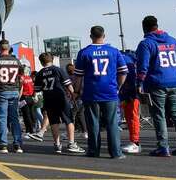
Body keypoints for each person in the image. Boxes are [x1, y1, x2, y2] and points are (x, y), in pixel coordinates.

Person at [135, 16, 176, 157]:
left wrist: (139, 82)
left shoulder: (146, 44)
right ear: (157, 25)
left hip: (157, 82)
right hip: (175, 81)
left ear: (144, 28)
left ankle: (163, 146)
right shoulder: (172, 41)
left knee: (159, 114)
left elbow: (143, 66)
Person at [73, 26, 127, 159]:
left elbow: (78, 76)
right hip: (110, 91)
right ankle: (116, 152)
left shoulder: (84, 52)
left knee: (93, 123)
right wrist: (118, 87)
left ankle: (93, 151)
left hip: (91, 92)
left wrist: (76, 91)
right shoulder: (113, 51)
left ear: (91, 36)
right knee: (112, 123)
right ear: (104, 35)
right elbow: (123, 72)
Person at [33, 52, 84, 154]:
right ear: (52, 59)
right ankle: (71, 143)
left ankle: (57, 144)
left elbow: (37, 89)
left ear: (41, 62)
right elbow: (68, 85)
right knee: (68, 120)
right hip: (60, 97)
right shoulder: (58, 70)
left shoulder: (39, 73)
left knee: (54, 122)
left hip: (48, 98)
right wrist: (73, 94)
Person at [0, 40, 24, 153]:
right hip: (14, 91)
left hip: (1, 91)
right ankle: (18, 144)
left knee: (2, 118)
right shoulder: (17, 61)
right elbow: (22, 78)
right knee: (14, 118)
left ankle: (3, 144)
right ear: (8, 49)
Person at [119, 50, 141, 154]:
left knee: (132, 117)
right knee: (130, 117)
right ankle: (134, 142)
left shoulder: (126, 60)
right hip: (129, 92)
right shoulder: (129, 60)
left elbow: (130, 77)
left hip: (129, 93)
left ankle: (135, 142)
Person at [20, 69, 37, 135]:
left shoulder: (22, 78)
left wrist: (18, 98)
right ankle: (31, 129)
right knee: (31, 113)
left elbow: (21, 89)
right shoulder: (29, 78)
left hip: (24, 97)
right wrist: (34, 96)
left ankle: (30, 130)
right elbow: (33, 87)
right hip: (31, 97)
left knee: (26, 115)